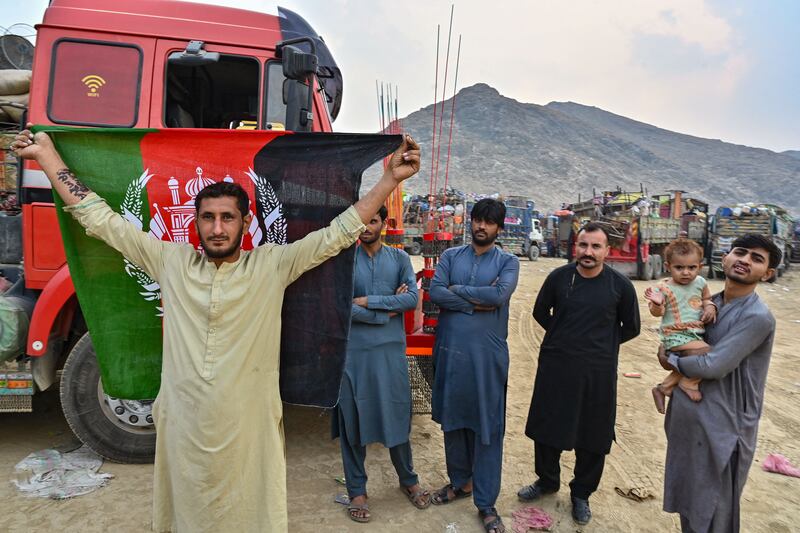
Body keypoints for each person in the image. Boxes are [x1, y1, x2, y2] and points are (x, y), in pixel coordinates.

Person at [11, 126, 420, 533]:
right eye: (208, 218)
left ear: (245, 222)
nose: (218, 228)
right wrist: (49, 159)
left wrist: (389, 180)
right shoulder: (171, 262)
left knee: (248, 512)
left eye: (227, 218)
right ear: (196, 223)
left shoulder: (271, 266)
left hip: (248, 425)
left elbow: (339, 232)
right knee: (187, 512)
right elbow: (101, 221)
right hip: (183, 423)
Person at [519, 222, 640, 526]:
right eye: (583, 245)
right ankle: (547, 481)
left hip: (598, 374)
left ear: (606, 251)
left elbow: (632, 327)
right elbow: (540, 311)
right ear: (576, 247)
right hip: (556, 368)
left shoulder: (620, 286)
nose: (588, 252)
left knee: (593, 434)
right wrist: (562, 339)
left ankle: (582, 494)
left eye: (595, 247)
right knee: (548, 427)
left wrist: (600, 346)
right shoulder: (559, 278)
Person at [661, 234, 779, 533]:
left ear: (767, 274)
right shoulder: (706, 303)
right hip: (691, 421)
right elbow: (673, 338)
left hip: (725, 427)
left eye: (757, 259)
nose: (745, 260)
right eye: (740, 252)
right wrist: (669, 351)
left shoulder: (757, 316)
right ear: (724, 258)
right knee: (689, 504)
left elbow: (713, 365)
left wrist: (671, 360)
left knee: (714, 513)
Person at [332, 205, 430, 523]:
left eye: (372, 221)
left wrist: (368, 301)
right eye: (362, 221)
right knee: (353, 420)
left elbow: (409, 300)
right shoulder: (346, 260)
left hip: (390, 354)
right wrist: (384, 311)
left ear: (383, 224)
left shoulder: (400, 259)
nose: (366, 227)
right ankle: (357, 490)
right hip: (354, 356)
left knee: (397, 414)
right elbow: (341, 306)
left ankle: (409, 481)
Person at [428, 198, 520, 533]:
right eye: (477, 220)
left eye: (489, 222)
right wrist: (471, 303)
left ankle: (486, 501)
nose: (481, 227)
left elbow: (498, 297)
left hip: (487, 360)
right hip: (450, 353)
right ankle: (460, 482)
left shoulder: (509, 262)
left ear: (499, 227)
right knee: (453, 422)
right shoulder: (451, 256)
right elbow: (436, 292)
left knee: (487, 428)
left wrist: (458, 292)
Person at [645, 239, 716, 414]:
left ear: (699, 266)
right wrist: (657, 304)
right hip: (674, 335)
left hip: (694, 334)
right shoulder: (663, 287)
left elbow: (707, 298)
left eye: (691, 268)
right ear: (668, 266)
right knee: (708, 353)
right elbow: (657, 313)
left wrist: (709, 307)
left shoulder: (700, 282)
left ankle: (664, 388)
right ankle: (688, 383)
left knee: (694, 360)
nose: (686, 272)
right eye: (679, 268)